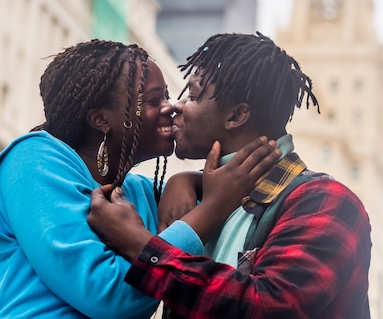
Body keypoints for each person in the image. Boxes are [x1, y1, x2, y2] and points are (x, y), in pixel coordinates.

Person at [0, 38, 280, 318]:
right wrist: (212, 209)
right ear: (100, 119)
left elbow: (223, 189)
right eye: (152, 99)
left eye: (169, 96)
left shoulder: (141, 194)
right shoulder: (32, 160)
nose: (170, 107)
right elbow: (108, 297)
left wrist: (184, 180)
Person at [88, 32, 372, 319]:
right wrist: (187, 181)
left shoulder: (327, 201)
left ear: (237, 116)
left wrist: (140, 246)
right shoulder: (205, 198)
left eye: (195, 95)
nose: (177, 105)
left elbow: (267, 307)